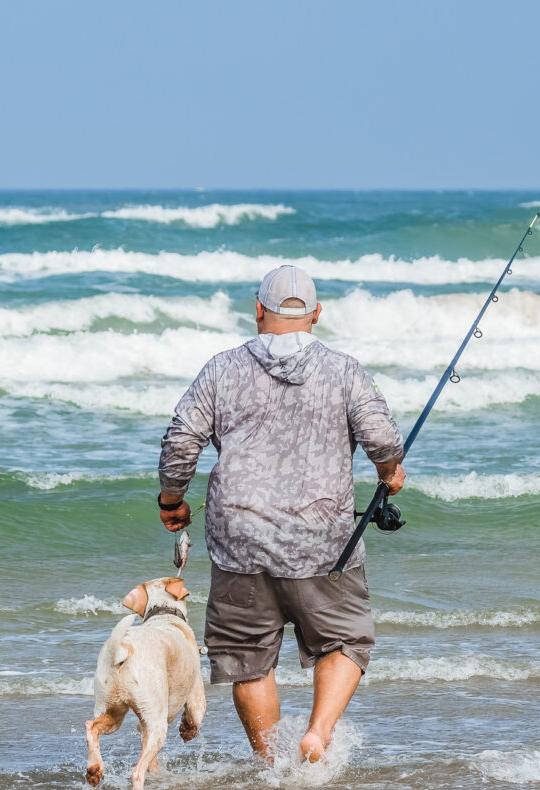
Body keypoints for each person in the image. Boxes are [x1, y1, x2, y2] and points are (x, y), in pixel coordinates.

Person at [157, 264, 406, 763]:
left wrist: (172, 500)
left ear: (257, 311)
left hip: (240, 540)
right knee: (345, 640)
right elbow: (383, 440)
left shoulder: (221, 369)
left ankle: (272, 764)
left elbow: (181, 441)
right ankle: (316, 734)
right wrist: (389, 469)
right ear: (316, 315)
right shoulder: (344, 369)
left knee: (247, 659)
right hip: (323, 539)